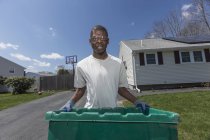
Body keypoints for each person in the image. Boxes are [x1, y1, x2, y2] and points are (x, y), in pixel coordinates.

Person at [60, 25, 150, 114]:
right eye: (95, 38)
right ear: (90, 41)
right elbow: (80, 90)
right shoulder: (81, 65)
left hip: (112, 113)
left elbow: (122, 89)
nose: (99, 41)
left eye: (103, 38)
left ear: (108, 41)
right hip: (91, 113)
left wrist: (136, 101)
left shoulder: (118, 63)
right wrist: (70, 103)